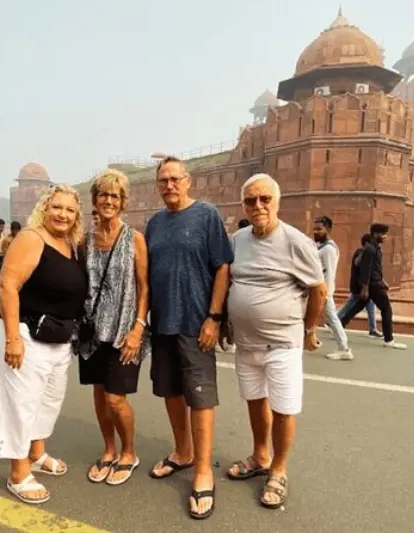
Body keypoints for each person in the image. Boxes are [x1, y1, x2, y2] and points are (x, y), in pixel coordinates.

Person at [220, 174, 326, 509]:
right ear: (243, 205)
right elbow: (230, 282)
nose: (258, 206)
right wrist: (224, 320)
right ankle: (260, 456)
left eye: (265, 199)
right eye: (251, 200)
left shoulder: (296, 242)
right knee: (254, 401)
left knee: (283, 408)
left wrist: (309, 330)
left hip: (282, 344)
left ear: (277, 202)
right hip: (246, 343)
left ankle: (279, 470)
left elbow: (319, 289)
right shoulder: (237, 241)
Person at [0, 184, 87, 505]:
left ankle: (37, 453)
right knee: (22, 401)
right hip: (26, 333)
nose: (63, 214)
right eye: (57, 207)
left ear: (77, 216)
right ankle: (18, 472)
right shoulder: (31, 238)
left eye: (70, 210)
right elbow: (8, 285)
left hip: (57, 336)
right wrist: (13, 337)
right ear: (45, 207)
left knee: (49, 398)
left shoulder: (69, 244)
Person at [145, 156, 233, 520]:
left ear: (188, 181)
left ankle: (202, 470)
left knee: (200, 397)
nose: (169, 185)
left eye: (174, 178)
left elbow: (223, 267)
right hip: (162, 323)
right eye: (163, 180)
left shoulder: (206, 215)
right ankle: (182, 452)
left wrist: (214, 317)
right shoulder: (154, 224)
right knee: (170, 391)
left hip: (195, 323)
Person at [78, 169, 150, 486]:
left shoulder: (134, 239)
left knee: (115, 399)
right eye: (104, 194)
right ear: (94, 200)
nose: (109, 200)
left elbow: (144, 286)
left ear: (123, 202)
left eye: (115, 195)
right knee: (98, 394)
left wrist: (138, 327)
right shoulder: (85, 241)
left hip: (124, 332)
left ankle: (129, 452)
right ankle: (108, 449)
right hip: (92, 333)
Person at [340, 224, 406, 350]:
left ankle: (340, 325)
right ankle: (389, 339)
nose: (385, 237)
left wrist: (383, 281)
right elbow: (366, 270)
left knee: (358, 306)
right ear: (376, 234)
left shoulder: (375, 248)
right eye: (383, 234)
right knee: (386, 309)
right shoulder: (369, 249)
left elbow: (376, 268)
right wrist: (365, 288)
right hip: (373, 285)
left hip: (375, 283)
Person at [313, 215, 352, 360]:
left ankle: (344, 348)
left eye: (319, 229)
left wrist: (326, 293)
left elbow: (329, 272)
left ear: (328, 229)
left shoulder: (329, 249)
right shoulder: (321, 246)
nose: (316, 232)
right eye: (315, 229)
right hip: (317, 288)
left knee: (332, 319)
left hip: (323, 290)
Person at [337, 234, 383, 338]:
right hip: (360, 286)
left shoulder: (369, 253)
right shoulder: (361, 252)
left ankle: (372, 329)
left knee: (368, 306)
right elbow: (358, 264)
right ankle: (336, 321)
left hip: (363, 286)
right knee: (350, 306)